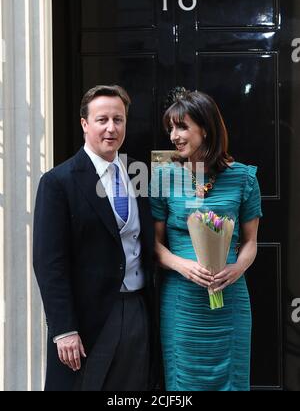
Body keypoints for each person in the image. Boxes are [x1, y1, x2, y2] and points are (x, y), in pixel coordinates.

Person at [33, 85, 156, 391]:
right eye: (102, 120)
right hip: (88, 320)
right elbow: (49, 263)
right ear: (84, 124)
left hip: (137, 310)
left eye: (119, 119)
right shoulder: (58, 182)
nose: (111, 128)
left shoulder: (138, 176)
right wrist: (63, 330)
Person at [150, 88, 262, 391]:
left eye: (182, 126)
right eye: (170, 128)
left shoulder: (244, 177)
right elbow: (154, 244)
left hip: (230, 298)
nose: (174, 135)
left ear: (206, 128)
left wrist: (236, 269)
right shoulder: (163, 177)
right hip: (182, 302)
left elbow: (251, 242)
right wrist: (181, 265)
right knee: (183, 383)